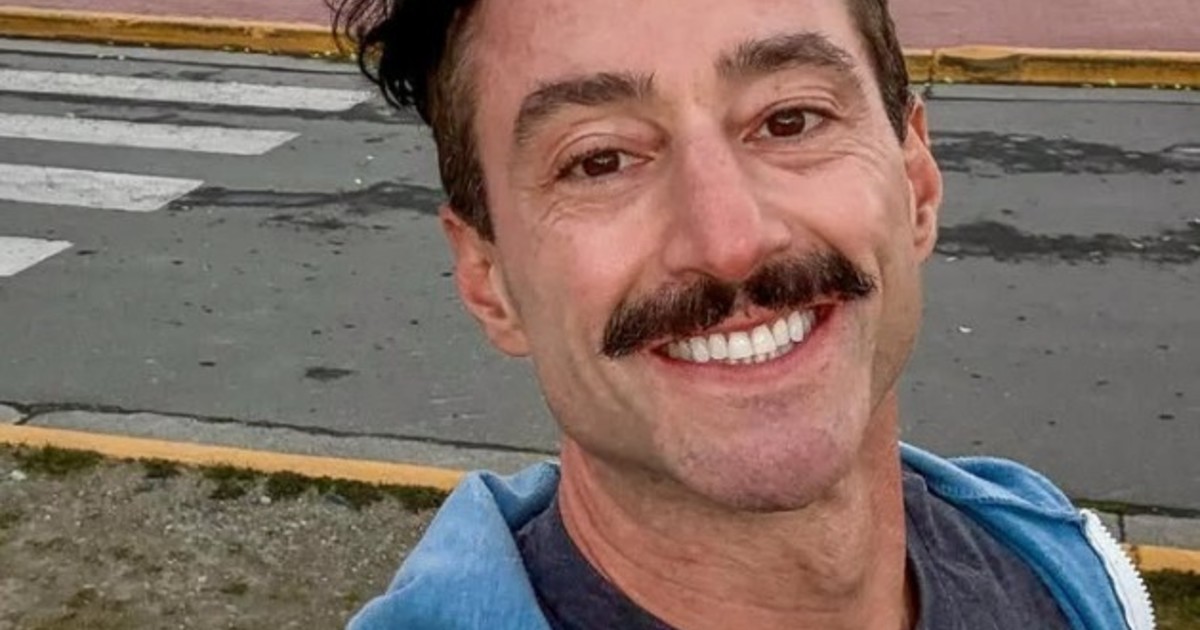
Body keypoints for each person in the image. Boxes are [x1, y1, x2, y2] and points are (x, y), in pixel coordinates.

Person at [337, 0, 1155, 628]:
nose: (730, 243)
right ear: (488, 279)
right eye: (600, 160)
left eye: (790, 120)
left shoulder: (1061, 577)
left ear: (917, 182)